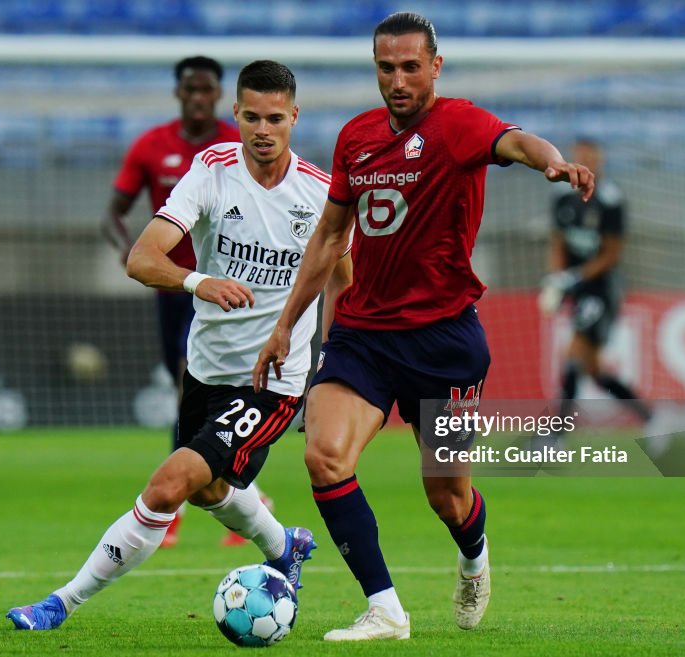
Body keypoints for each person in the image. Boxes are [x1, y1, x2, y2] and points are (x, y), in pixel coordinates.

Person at [253, 12, 594, 641]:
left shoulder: (458, 124)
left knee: (446, 497)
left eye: (411, 67)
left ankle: (474, 555)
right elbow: (331, 236)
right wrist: (285, 325)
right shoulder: (355, 137)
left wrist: (552, 162)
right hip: (362, 333)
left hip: (443, 341)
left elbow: (517, 142)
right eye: (387, 68)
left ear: (435, 66)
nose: (399, 80)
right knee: (325, 457)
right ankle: (385, 607)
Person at [8, 59, 352, 631]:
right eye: (250, 117)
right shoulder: (212, 171)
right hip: (206, 368)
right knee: (211, 489)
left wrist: (330, 365)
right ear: (235, 115)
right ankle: (284, 547)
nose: (261, 130)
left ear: (294, 117)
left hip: (271, 382)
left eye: (274, 118)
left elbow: (345, 282)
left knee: (168, 485)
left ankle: (60, 603)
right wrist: (200, 280)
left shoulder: (319, 192)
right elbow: (143, 259)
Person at [99, 56, 246, 548]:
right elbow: (113, 214)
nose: (199, 98)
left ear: (218, 94)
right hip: (171, 290)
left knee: (192, 391)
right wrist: (132, 250)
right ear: (179, 94)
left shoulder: (238, 143)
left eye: (207, 89)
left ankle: (171, 507)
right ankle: (246, 496)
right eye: (191, 89)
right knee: (188, 393)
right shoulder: (152, 146)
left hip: (224, 289)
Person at [538, 138, 651, 436]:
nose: (585, 160)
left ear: (600, 160)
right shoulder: (562, 197)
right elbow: (558, 242)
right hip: (577, 287)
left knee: (573, 357)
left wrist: (573, 278)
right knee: (595, 372)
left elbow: (611, 255)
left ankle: (554, 437)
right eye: (580, 155)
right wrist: (556, 279)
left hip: (602, 289)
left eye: (591, 156)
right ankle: (652, 419)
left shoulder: (611, 200)